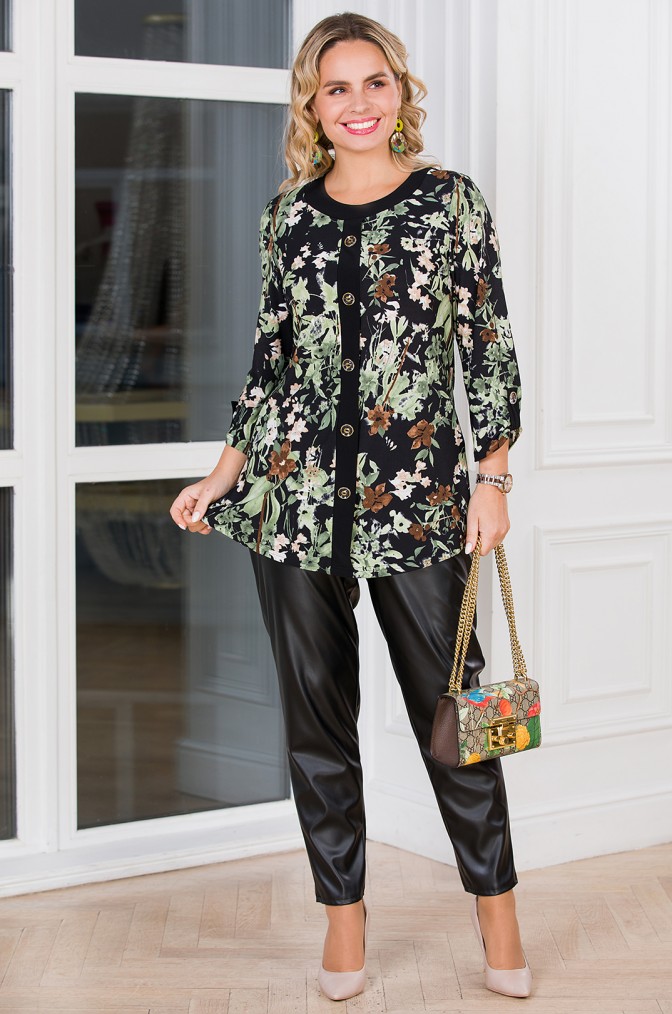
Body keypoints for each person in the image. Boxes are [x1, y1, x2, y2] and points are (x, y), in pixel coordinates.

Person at [169, 11, 531, 1002]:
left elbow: (487, 349)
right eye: (338, 88)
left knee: (456, 717)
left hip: (420, 503)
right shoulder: (287, 215)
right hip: (291, 506)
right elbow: (269, 362)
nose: (359, 103)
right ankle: (344, 924)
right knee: (316, 727)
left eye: (376, 82)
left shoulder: (450, 202)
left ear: (399, 93)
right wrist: (222, 474)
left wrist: (492, 477)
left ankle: (499, 916)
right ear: (313, 105)